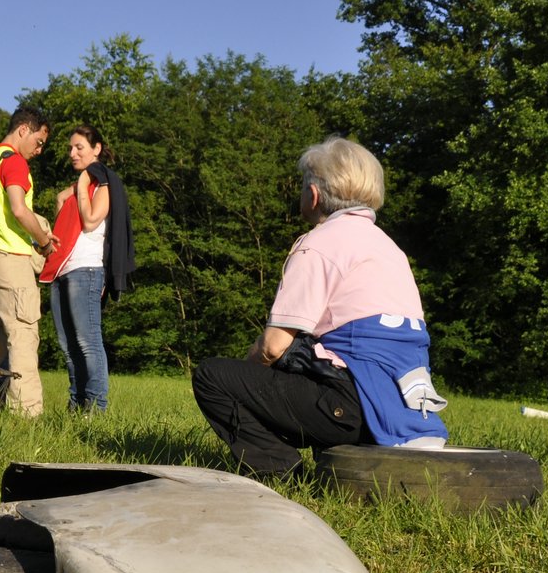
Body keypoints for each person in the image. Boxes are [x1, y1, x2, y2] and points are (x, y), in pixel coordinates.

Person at [192, 138, 448, 477]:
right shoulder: (390, 249)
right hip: (404, 413)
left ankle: (284, 472)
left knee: (214, 377)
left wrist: (249, 379)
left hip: (351, 407)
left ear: (312, 195)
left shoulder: (318, 244)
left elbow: (273, 346)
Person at [39, 124, 135, 412]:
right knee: (67, 345)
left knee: (87, 341)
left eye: (79, 147)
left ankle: (96, 408)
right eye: (70, 147)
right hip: (62, 270)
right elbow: (61, 212)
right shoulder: (78, 185)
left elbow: (92, 220)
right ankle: (76, 405)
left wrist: (81, 186)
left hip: (87, 270)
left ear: (97, 149)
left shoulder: (102, 181)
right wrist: (65, 196)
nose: (72, 152)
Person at [0, 106, 57, 416]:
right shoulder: (14, 162)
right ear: (23, 130)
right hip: (12, 258)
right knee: (22, 335)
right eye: (39, 140)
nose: (39, 149)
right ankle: (27, 413)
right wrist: (44, 242)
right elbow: (19, 210)